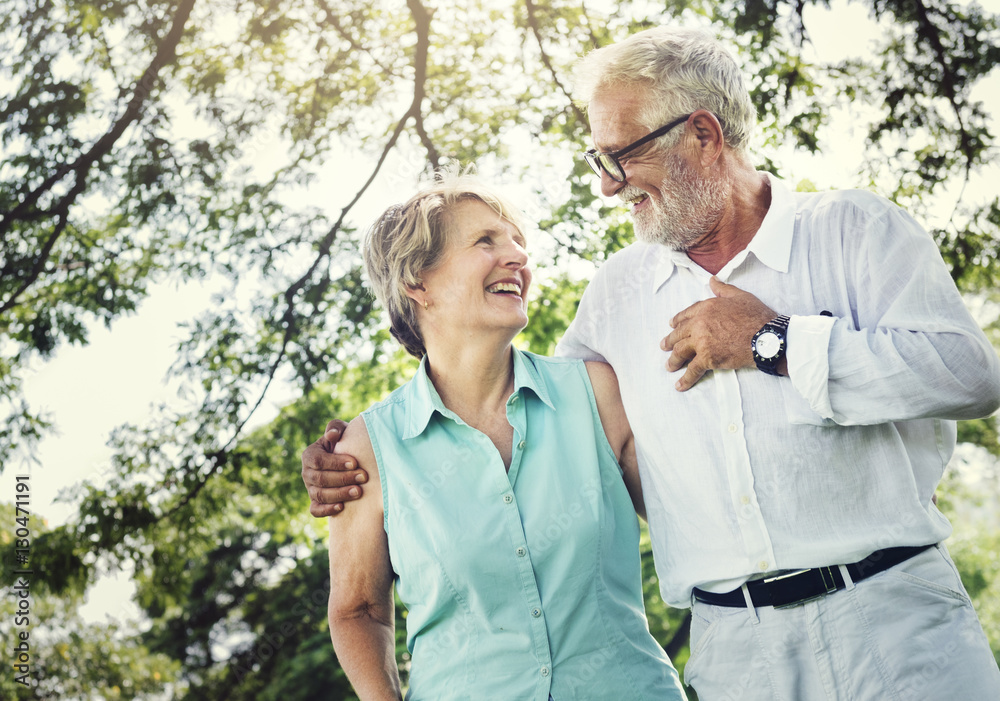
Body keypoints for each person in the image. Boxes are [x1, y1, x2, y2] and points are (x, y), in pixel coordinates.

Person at [305, 28, 1000, 700]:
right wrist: (352, 463)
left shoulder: (854, 230)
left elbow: (970, 374)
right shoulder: (618, 294)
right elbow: (513, 401)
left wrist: (776, 341)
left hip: (897, 623)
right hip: (738, 653)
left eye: (622, 155)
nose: (608, 186)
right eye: (597, 160)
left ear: (703, 133)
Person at [322, 174, 686, 700]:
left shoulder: (596, 393)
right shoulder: (366, 449)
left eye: (518, 242)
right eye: (486, 241)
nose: (517, 257)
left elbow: (690, 513)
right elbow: (359, 610)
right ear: (417, 282)